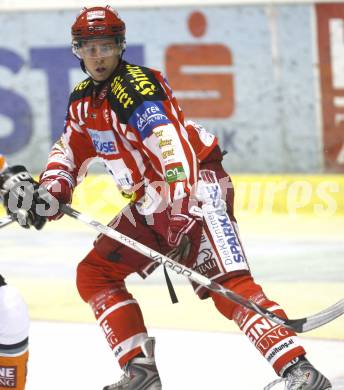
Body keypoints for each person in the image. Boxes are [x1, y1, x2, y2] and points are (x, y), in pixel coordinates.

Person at [0, 7, 332, 390]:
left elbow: (172, 150)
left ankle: (300, 372)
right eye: (89, 47)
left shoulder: (136, 89)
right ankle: (139, 372)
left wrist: (179, 214)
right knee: (95, 274)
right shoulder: (82, 101)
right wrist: (52, 190)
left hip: (196, 189)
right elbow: (70, 151)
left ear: (119, 46)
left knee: (230, 284)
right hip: (151, 203)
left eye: (106, 46)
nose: (98, 56)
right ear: (77, 50)